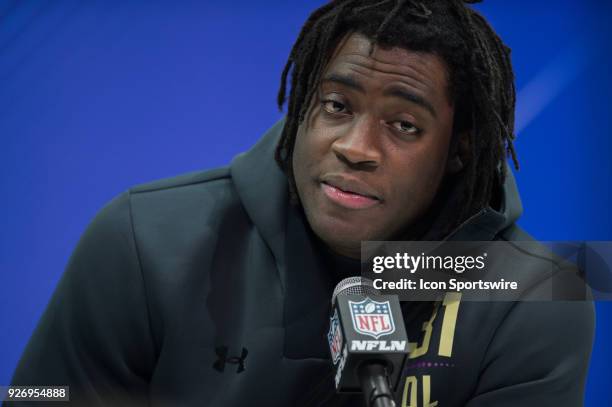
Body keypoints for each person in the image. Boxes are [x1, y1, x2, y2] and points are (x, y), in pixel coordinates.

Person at [10, 1, 594, 406]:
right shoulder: (144, 237)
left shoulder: (533, 299)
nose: (354, 147)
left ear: (460, 150)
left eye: (403, 125)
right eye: (337, 105)